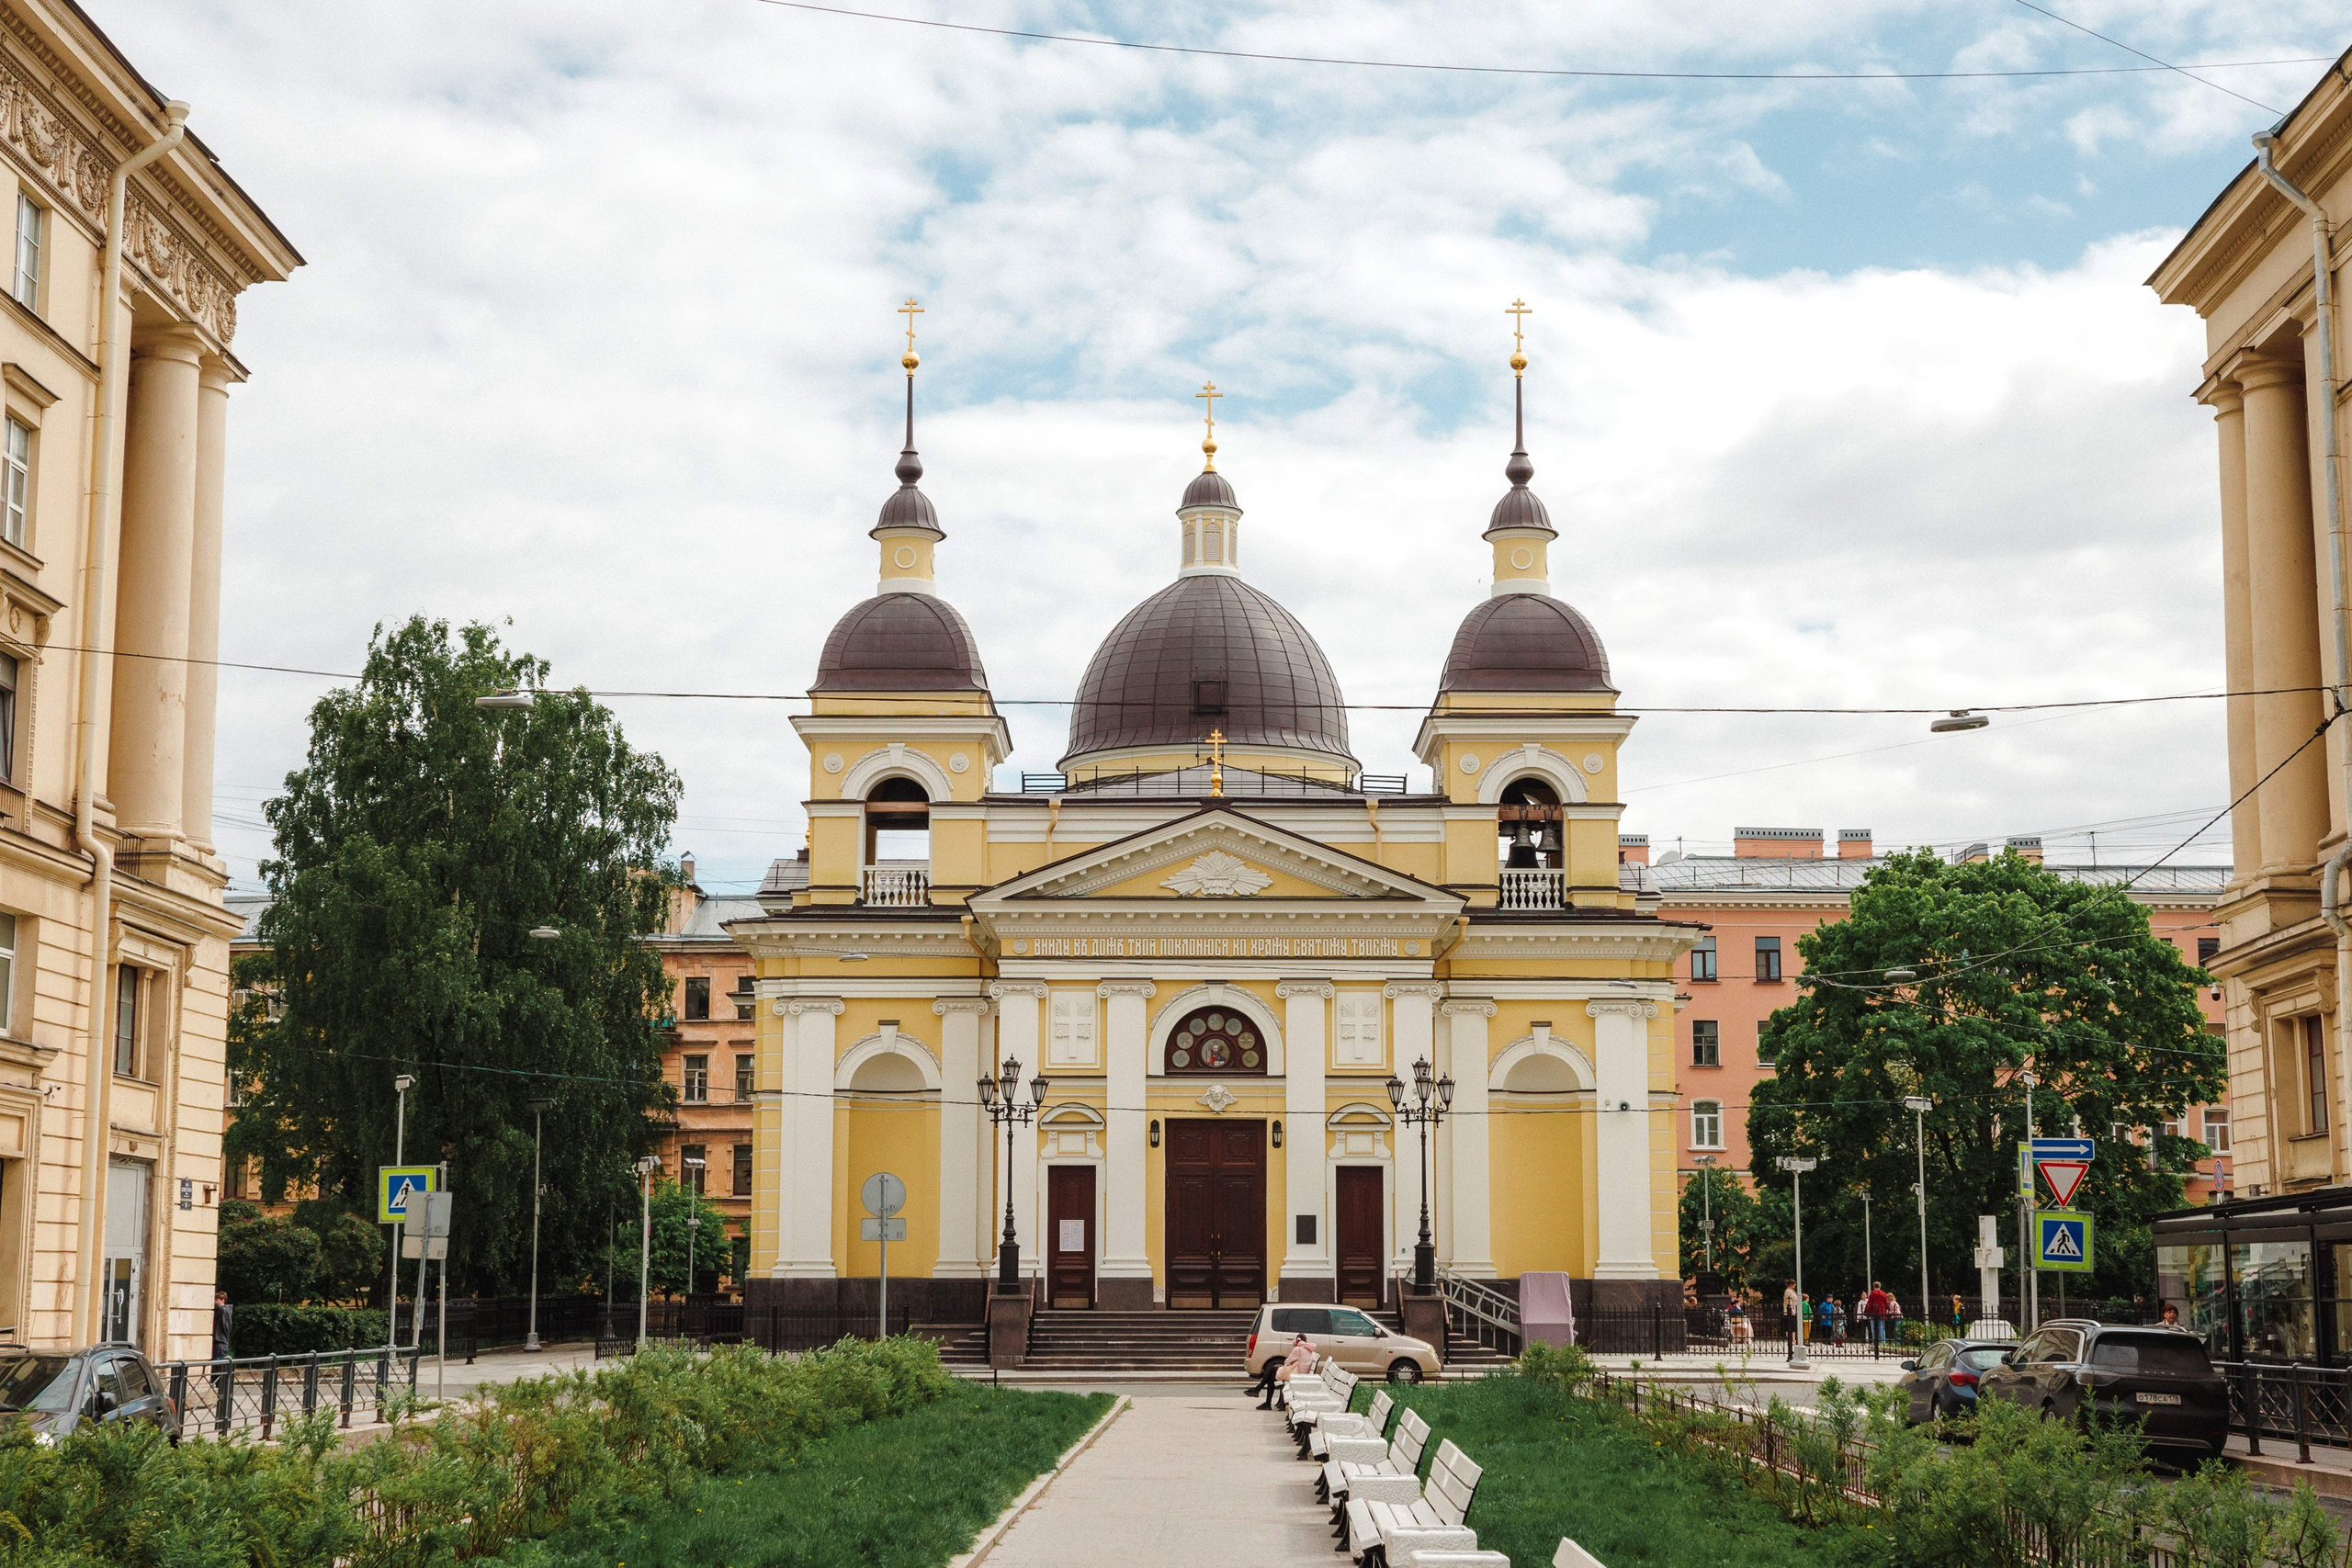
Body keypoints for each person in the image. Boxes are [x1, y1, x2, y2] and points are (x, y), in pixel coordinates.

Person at [1253, 1333, 1317, 1409]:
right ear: (1306, 1341)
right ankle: (1259, 1391)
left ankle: (1263, 1396)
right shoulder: (1310, 1350)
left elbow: (1286, 1362)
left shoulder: (1298, 1349)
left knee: (1271, 1374)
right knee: (1273, 1370)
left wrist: (1295, 1348)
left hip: (1296, 1376)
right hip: (1303, 1375)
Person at [1863, 1280, 1894, 1345]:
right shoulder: (1883, 1294)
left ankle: (1875, 1342)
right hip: (1881, 1313)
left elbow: (1869, 1303)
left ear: (1873, 1286)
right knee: (1881, 1328)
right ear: (1879, 1286)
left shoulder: (1872, 1294)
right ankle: (1883, 1342)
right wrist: (1887, 1310)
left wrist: (1866, 1312)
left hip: (1873, 1313)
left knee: (1873, 1328)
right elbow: (1886, 1304)